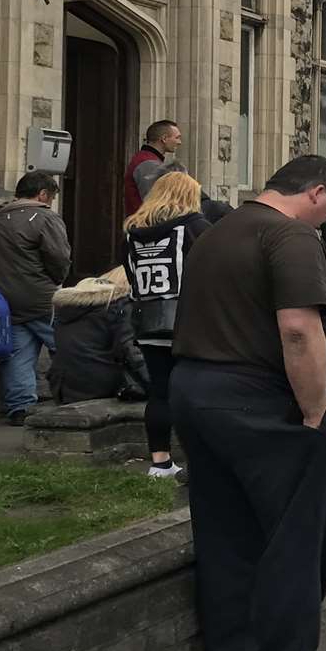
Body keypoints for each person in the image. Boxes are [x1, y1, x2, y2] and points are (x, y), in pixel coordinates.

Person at [168, 155, 326, 651]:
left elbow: (246, 311)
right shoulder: (293, 236)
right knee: (297, 542)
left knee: (227, 533)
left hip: (197, 391)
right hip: (263, 402)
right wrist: (314, 409)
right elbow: (296, 329)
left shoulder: (220, 231)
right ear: (316, 193)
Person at [123, 170, 214, 479]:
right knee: (196, 391)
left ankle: (159, 462)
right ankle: (197, 460)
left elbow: (130, 274)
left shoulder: (134, 231)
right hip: (190, 321)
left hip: (148, 321)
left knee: (160, 393)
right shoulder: (196, 227)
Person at [0, 171, 72, 425]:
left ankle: (20, 407)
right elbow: (59, 259)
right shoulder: (45, 217)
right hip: (42, 298)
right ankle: (75, 398)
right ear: (43, 194)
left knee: (19, 353)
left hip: (3, 300)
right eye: (50, 198)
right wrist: (57, 280)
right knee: (68, 345)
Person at [47, 268, 149, 405]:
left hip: (63, 387)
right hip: (101, 386)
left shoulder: (65, 307)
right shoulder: (117, 304)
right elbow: (129, 350)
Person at [123, 120, 183, 217]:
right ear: (164, 138)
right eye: (177, 138)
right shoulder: (148, 163)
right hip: (145, 227)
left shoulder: (147, 159)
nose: (179, 142)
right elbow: (155, 205)